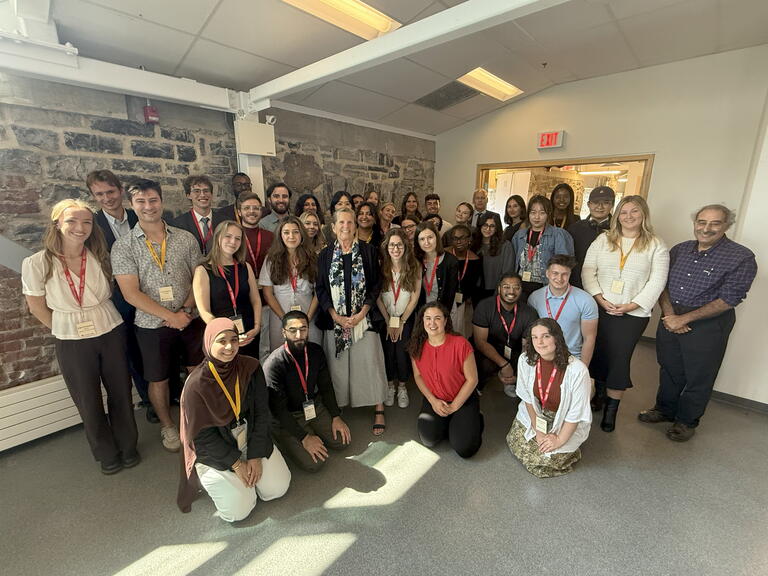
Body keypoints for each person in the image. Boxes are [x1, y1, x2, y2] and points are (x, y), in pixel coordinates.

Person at [22, 199, 138, 474]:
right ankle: (106, 453)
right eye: (72, 221)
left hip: (109, 328)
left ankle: (128, 446)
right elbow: (36, 306)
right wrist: (64, 328)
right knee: (87, 398)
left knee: (121, 391)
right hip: (71, 336)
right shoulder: (37, 262)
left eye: (86, 222)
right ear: (57, 224)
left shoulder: (99, 255)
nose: (80, 227)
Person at [638, 204, 757, 442]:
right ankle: (665, 409)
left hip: (709, 323)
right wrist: (670, 315)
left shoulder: (742, 257)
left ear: (727, 225)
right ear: (695, 223)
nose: (706, 228)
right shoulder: (680, 250)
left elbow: (729, 299)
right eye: (702, 222)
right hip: (671, 316)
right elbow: (662, 283)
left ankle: (686, 421)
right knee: (669, 367)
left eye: (715, 223)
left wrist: (684, 319)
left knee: (699, 375)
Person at [112, 179, 204, 452]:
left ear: (162, 202)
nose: (148, 206)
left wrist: (185, 310)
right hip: (151, 324)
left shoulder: (185, 238)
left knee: (196, 371)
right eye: (141, 201)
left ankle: (200, 418)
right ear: (132, 205)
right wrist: (170, 316)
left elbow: (199, 278)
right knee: (158, 378)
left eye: (153, 200)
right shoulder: (124, 246)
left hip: (190, 318)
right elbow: (130, 293)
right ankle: (168, 425)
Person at [178, 318, 291, 521]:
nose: (230, 347)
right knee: (238, 512)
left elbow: (261, 413)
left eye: (234, 340)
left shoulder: (251, 367)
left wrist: (255, 455)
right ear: (208, 343)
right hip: (217, 449)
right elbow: (202, 437)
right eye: (222, 341)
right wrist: (237, 464)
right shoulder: (195, 386)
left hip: (249, 435)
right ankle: (217, 478)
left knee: (277, 488)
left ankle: (250, 474)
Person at [582, 195, 669, 432]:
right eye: (624, 212)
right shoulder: (603, 239)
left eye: (634, 211)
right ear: (617, 216)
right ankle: (598, 397)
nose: (629, 216)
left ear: (644, 215)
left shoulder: (656, 244)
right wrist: (599, 299)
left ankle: (611, 411)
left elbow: (657, 281)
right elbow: (588, 270)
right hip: (601, 308)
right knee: (599, 353)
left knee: (619, 359)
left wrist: (632, 305)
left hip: (633, 315)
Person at [315, 207, 388, 435]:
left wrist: (363, 313)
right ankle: (340, 405)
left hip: (364, 318)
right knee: (338, 366)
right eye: (341, 223)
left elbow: (375, 285)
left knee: (370, 362)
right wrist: (335, 316)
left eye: (350, 222)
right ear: (333, 227)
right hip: (335, 321)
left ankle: (378, 406)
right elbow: (321, 289)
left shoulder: (368, 251)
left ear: (356, 226)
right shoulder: (325, 255)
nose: (346, 227)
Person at [87, 169, 153, 422]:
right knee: (132, 350)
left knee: (157, 342)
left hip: (152, 291)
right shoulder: (92, 225)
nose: (106, 198)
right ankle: (149, 399)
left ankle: (169, 392)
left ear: (121, 191)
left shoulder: (140, 215)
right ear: (93, 196)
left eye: (110, 192)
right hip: (118, 297)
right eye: (99, 194)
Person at [263, 311, 351, 471]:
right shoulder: (273, 365)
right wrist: (304, 438)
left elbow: (326, 386)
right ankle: (287, 440)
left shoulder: (316, 351)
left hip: (313, 406)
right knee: (314, 464)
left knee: (342, 442)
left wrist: (336, 415)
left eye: (303, 329)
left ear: (308, 329)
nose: (299, 335)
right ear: (283, 332)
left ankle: (311, 431)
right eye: (293, 330)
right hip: (290, 416)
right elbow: (279, 410)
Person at [506, 318, 592, 478]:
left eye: (546, 336)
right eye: (535, 337)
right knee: (514, 442)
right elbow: (528, 399)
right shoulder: (525, 360)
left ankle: (570, 451)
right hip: (538, 412)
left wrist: (559, 440)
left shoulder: (577, 371)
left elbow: (575, 413)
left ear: (557, 338)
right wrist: (538, 430)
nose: (540, 342)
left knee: (545, 460)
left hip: (565, 419)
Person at [409, 302, 483, 458]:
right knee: (429, 439)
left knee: (465, 449)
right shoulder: (416, 345)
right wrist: (433, 401)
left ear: (445, 320)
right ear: (422, 321)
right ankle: (453, 423)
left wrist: (454, 406)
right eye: (428, 318)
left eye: (437, 318)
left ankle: (475, 418)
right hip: (435, 398)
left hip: (462, 399)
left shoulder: (460, 344)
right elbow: (418, 376)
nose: (432, 323)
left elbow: (472, 379)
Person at [193, 220, 263, 358]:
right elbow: (204, 311)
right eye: (228, 236)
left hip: (249, 333)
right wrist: (227, 334)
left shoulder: (245, 267)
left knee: (250, 368)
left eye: (238, 238)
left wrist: (257, 327)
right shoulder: (203, 270)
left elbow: (256, 300)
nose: (233, 242)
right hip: (222, 338)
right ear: (218, 238)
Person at [259, 217, 320, 352]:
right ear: (280, 236)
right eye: (286, 232)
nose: (291, 236)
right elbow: (268, 294)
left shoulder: (313, 258)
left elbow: (318, 292)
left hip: (308, 315)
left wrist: (308, 318)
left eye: (295, 232)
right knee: (282, 354)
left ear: (302, 235)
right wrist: (284, 319)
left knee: (311, 352)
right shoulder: (271, 260)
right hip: (279, 317)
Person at [377, 228, 421, 410]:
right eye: (392, 245)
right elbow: (377, 297)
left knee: (402, 353)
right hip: (386, 317)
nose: (396, 249)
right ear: (386, 247)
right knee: (388, 352)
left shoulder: (414, 266)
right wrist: (388, 321)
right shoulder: (381, 266)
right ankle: (390, 385)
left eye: (399, 245)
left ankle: (402, 386)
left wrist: (402, 321)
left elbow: (414, 298)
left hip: (405, 317)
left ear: (406, 246)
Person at [472, 275, 538, 396]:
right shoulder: (484, 306)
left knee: (529, 360)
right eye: (506, 287)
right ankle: (478, 386)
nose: (511, 291)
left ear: (521, 290)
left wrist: (519, 372)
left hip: (514, 349)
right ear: (499, 288)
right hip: (489, 348)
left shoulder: (529, 312)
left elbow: (526, 347)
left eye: (516, 287)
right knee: (484, 364)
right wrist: (504, 364)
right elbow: (480, 342)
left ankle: (512, 382)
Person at [528, 255, 598, 367]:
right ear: (547, 273)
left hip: (571, 359)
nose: (560, 278)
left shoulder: (586, 300)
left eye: (564, 274)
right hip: (542, 357)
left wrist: (582, 368)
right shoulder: (535, 298)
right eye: (555, 273)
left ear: (570, 275)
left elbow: (589, 338)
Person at [510, 195, 574, 300]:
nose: (537, 217)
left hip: (545, 287)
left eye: (542, 213)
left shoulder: (558, 235)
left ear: (548, 214)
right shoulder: (519, 235)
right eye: (533, 212)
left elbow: (565, 264)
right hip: (520, 287)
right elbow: (513, 263)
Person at [567, 186, 614, 289]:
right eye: (595, 202)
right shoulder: (575, 228)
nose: (600, 207)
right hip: (578, 285)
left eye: (606, 203)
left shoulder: (619, 230)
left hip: (607, 286)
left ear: (612, 205)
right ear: (588, 204)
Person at [444, 224, 482, 338]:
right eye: (455, 238)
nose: (458, 241)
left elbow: (474, 283)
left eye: (462, 238)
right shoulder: (444, 254)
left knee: (459, 329)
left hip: (463, 301)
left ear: (469, 239)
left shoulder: (475, 259)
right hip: (443, 297)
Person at [414, 221, 459, 310]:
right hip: (423, 310)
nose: (426, 242)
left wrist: (441, 314)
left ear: (437, 237)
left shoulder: (450, 261)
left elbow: (450, 293)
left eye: (430, 237)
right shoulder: (416, 260)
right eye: (422, 239)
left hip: (444, 309)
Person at [472, 213, 517, 300]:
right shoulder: (474, 244)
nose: (488, 229)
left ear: (497, 228)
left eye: (492, 226)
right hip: (475, 290)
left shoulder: (505, 245)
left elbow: (507, 273)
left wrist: (499, 292)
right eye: (485, 225)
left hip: (495, 291)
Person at [171, 175, 218, 255]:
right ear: (188, 195)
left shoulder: (224, 221)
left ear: (211, 194)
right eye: (197, 191)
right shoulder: (178, 224)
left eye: (206, 191)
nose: (202, 195)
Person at [237, 193, 274, 283]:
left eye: (256, 208)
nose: (252, 211)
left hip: (268, 285)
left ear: (261, 212)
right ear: (239, 212)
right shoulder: (234, 237)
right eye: (247, 208)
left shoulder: (271, 236)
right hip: (241, 286)